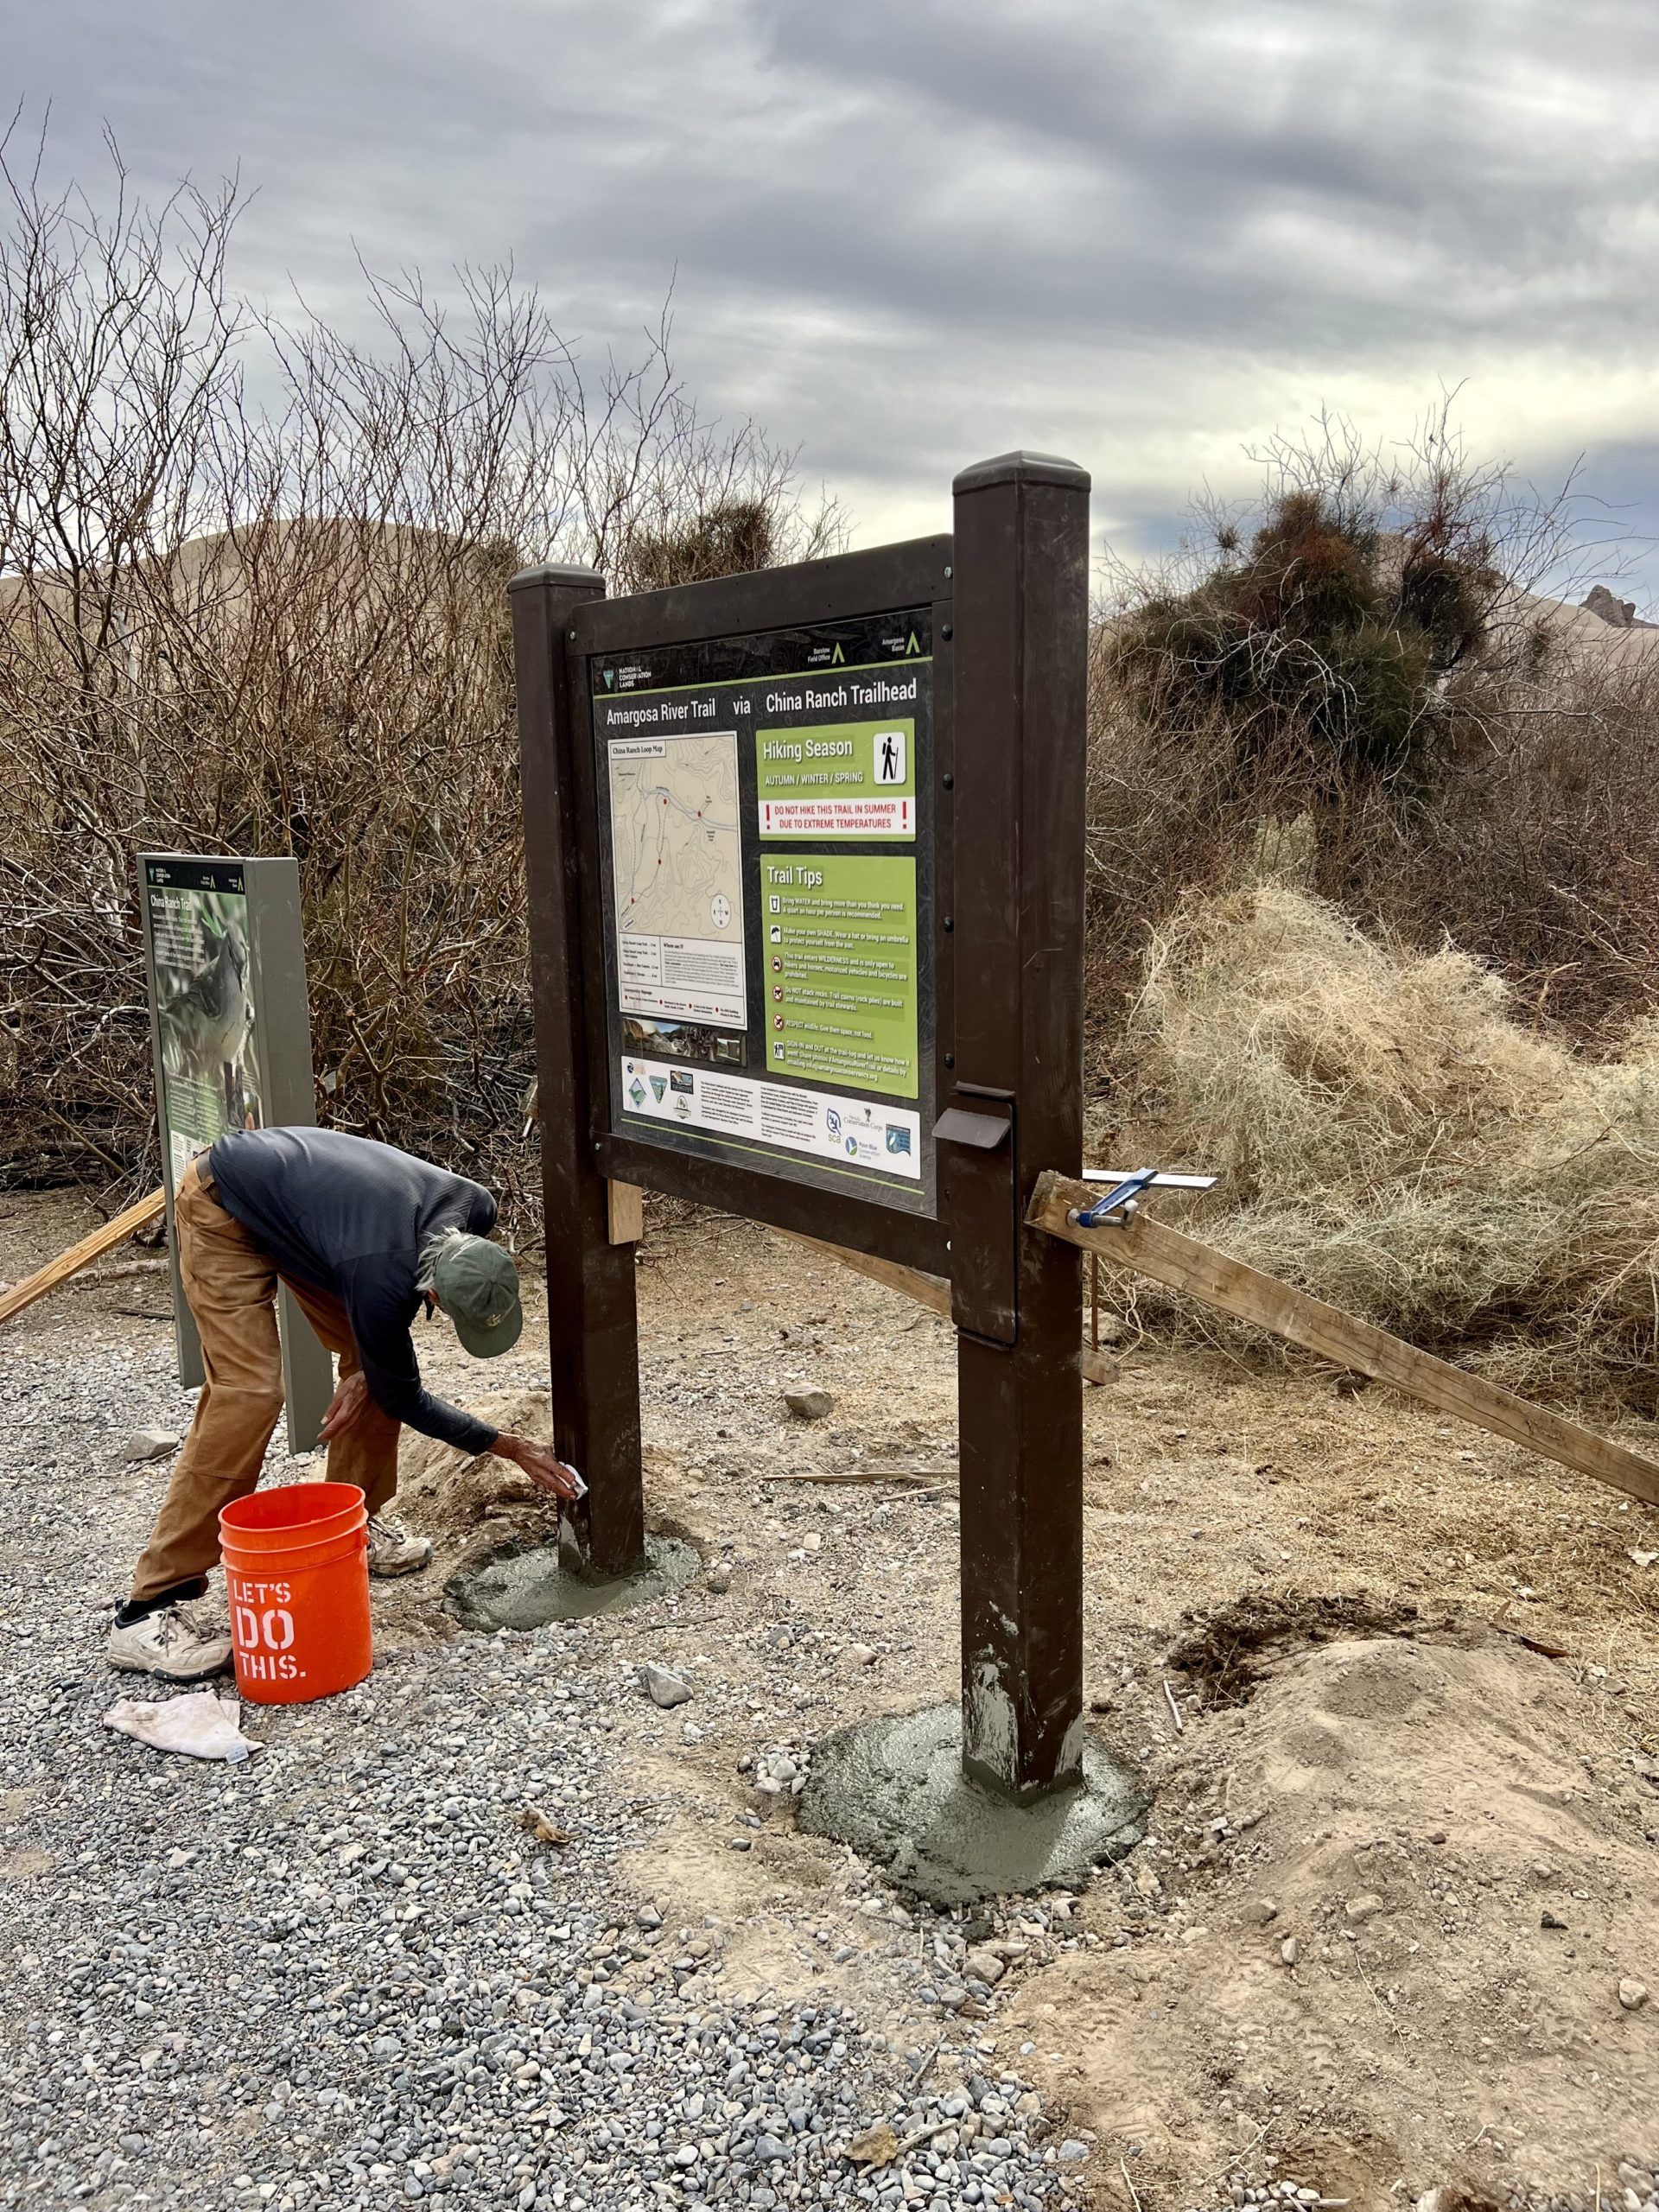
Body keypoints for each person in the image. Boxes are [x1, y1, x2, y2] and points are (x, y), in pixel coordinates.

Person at [108, 1126, 581, 1682]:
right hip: (226, 1205)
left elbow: (386, 1330)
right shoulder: (381, 1272)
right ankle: (149, 1606)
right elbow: (403, 1391)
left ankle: (356, 1523)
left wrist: (368, 1365)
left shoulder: (475, 1208)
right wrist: (508, 1446)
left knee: (371, 1372)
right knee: (251, 1394)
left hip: (319, 1231)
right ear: (431, 1293)